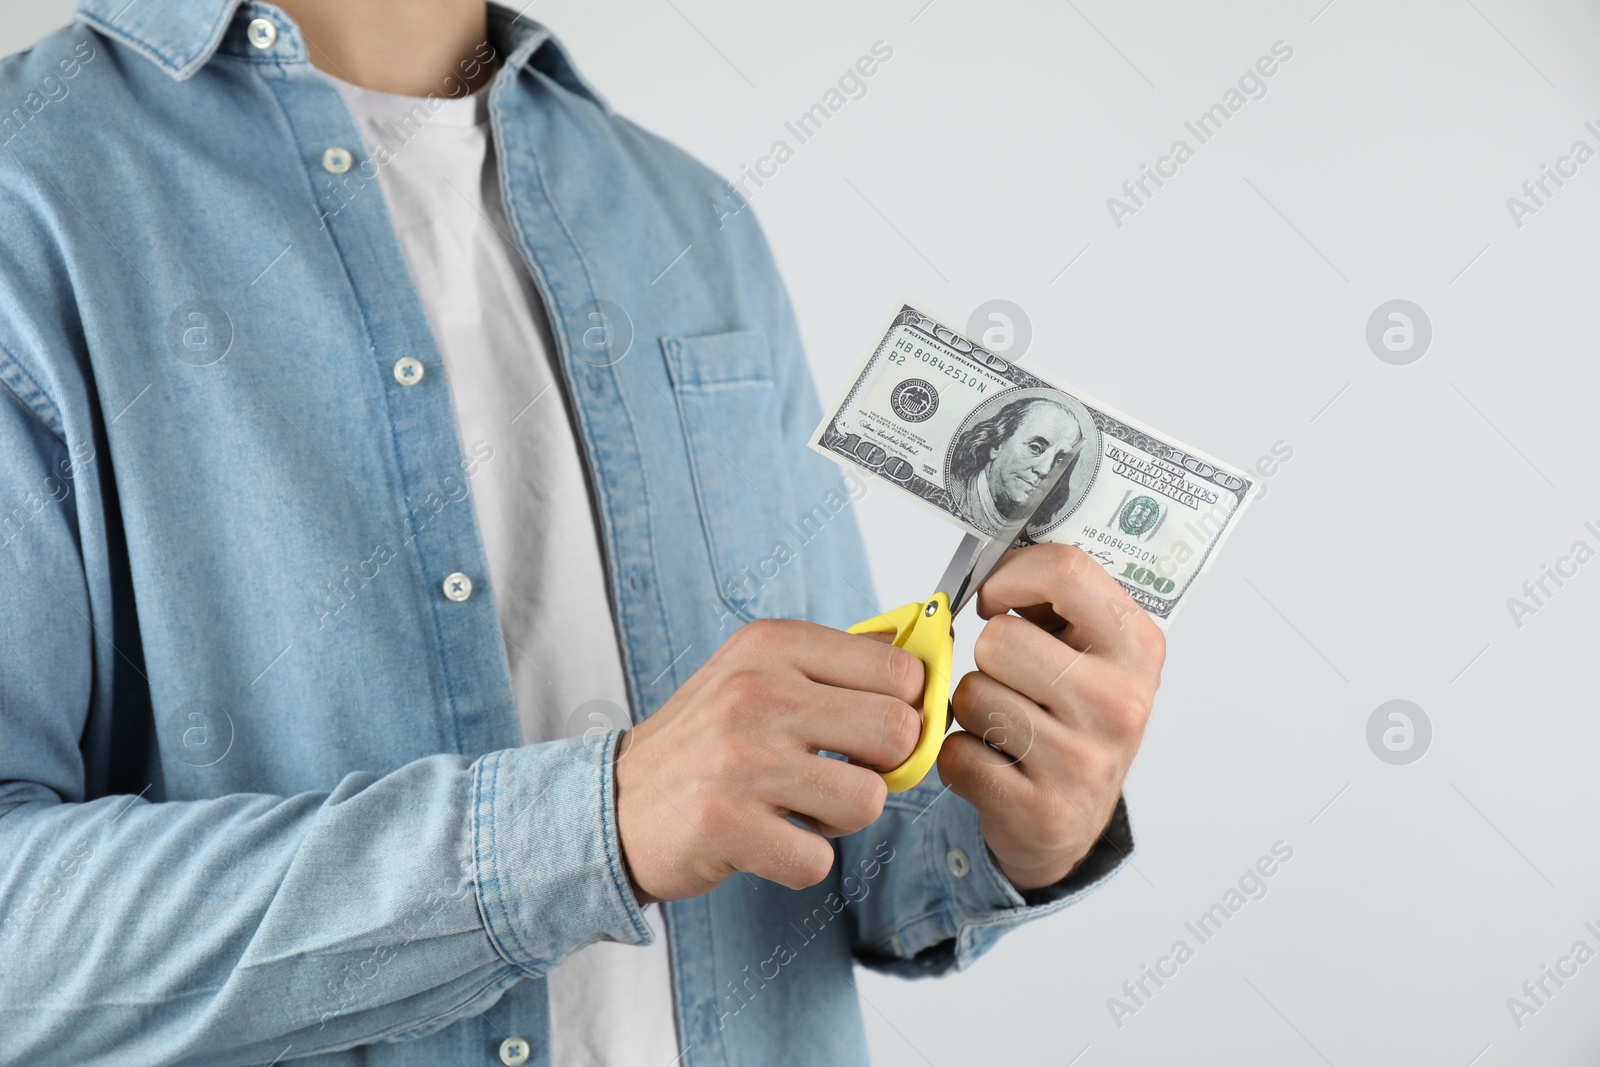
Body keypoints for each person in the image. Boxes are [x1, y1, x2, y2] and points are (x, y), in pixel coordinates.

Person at [0, 1, 1166, 1064]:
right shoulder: (29, 198)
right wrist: (587, 827)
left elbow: (842, 846)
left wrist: (1018, 826)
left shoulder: (695, 221)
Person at [949, 395, 1086, 535]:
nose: (1045, 470)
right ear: (997, 444)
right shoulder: (953, 495)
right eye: (1035, 448)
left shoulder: (1032, 535)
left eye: (1060, 461)